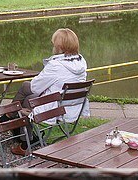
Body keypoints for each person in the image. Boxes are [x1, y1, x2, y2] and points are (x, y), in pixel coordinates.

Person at [9, 27, 89, 155]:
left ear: (59, 46)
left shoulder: (56, 65)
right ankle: (20, 132)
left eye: (54, 43)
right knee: (28, 96)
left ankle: (21, 138)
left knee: (27, 96)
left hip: (55, 109)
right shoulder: (81, 61)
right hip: (73, 107)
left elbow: (35, 87)